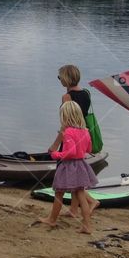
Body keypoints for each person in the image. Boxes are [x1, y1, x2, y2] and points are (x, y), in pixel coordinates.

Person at [38, 101, 99, 233]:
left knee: (59, 192)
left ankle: (52, 219)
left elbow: (70, 153)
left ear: (65, 116)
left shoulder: (68, 132)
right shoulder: (86, 131)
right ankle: (87, 226)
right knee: (81, 195)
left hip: (68, 166)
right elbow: (89, 149)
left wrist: (55, 154)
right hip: (81, 165)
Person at [50, 64, 94, 218]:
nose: (59, 80)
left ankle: (55, 216)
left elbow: (65, 123)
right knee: (77, 175)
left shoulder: (67, 97)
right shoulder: (86, 94)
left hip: (69, 137)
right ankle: (74, 209)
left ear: (66, 78)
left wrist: (55, 144)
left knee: (64, 175)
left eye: (60, 77)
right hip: (82, 135)